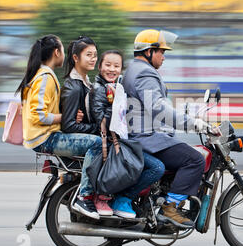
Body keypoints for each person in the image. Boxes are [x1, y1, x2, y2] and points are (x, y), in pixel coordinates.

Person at [122, 29, 220, 229]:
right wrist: (195, 124)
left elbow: (156, 108)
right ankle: (170, 207)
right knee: (195, 159)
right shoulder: (145, 74)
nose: (164, 57)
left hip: (146, 134)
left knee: (182, 153)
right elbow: (160, 109)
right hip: (146, 138)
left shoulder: (135, 69)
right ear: (149, 51)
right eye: (161, 52)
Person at [16, 34, 103, 220]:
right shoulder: (46, 77)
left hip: (46, 135)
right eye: (63, 49)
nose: (64, 52)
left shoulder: (43, 75)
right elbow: (38, 115)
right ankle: (83, 196)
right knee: (96, 143)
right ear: (57, 52)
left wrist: (65, 114)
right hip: (45, 138)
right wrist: (65, 117)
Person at [90, 50, 165, 218]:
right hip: (112, 144)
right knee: (157, 167)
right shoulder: (102, 90)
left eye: (116, 66)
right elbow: (103, 120)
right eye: (107, 65)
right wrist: (117, 102)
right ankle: (124, 199)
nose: (112, 69)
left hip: (122, 140)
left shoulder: (116, 87)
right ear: (100, 66)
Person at [59, 36, 115, 216]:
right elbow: (69, 126)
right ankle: (85, 197)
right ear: (75, 58)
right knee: (101, 144)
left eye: (95, 55)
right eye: (88, 55)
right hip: (70, 138)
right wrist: (97, 129)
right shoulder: (74, 87)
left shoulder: (86, 84)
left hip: (85, 133)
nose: (93, 59)